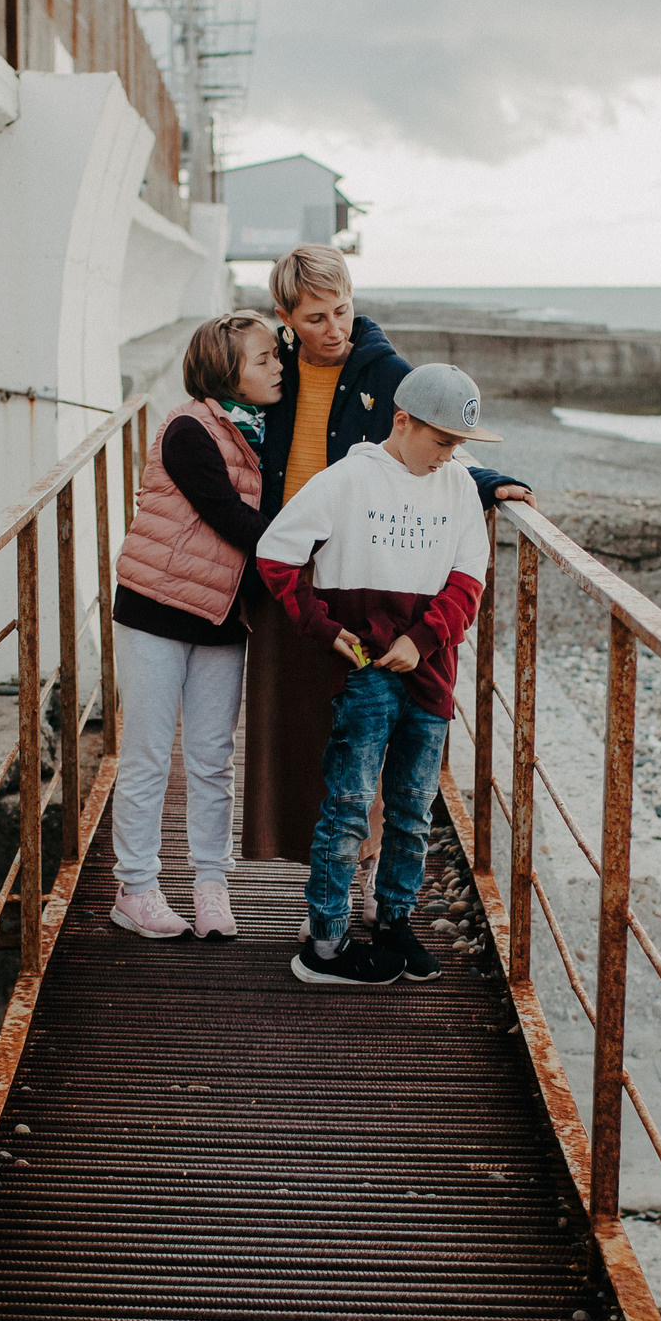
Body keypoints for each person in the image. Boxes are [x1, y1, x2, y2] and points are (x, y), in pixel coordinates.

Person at [241, 245, 534, 898]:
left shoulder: (382, 368)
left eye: (342, 310)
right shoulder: (270, 368)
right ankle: (316, 884)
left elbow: (429, 444)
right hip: (286, 564)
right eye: (315, 317)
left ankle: (363, 877)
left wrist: (493, 482)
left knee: (364, 731)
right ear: (286, 317)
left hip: (358, 565)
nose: (334, 327)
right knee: (299, 729)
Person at [254, 363, 499, 985]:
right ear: (401, 420)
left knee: (414, 810)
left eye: (458, 444)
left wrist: (423, 640)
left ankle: (394, 921)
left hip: (430, 671)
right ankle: (326, 944)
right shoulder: (346, 480)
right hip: (363, 670)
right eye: (440, 440)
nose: (450, 456)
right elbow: (276, 553)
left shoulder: (458, 486)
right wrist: (322, 627)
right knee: (349, 806)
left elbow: (471, 578)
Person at [104, 310, 281, 941]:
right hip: (156, 607)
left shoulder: (268, 430)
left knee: (213, 758)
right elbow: (228, 517)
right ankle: (137, 888)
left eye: (275, 356)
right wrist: (316, 551)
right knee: (149, 753)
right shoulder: (188, 428)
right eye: (263, 360)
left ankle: (211, 886)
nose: (277, 366)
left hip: (223, 615)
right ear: (225, 370)